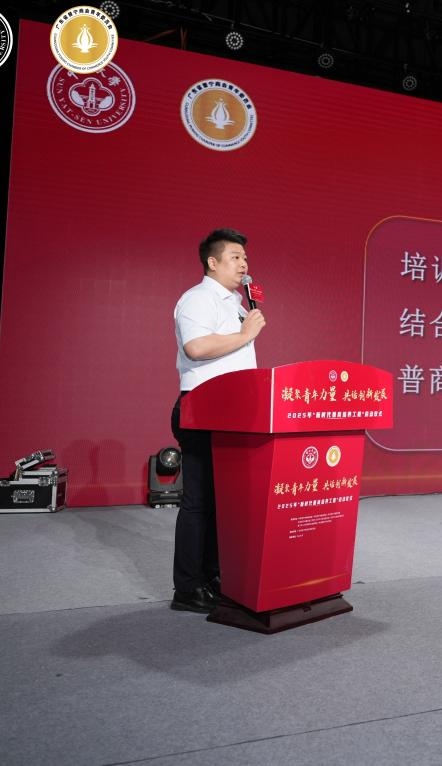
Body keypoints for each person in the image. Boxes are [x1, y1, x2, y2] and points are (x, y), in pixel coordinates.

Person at [170, 228, 266, 613]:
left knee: (220, 503)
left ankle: (211, 577)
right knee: (199, 501)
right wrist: (245, 334)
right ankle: (187, 588)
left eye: (245, 258)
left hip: (231, 412)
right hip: (202, 409)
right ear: (212, 262)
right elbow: (196, 347)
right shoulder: (198, 298)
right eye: (235, 257)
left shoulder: (237, 304)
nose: (244, 265)